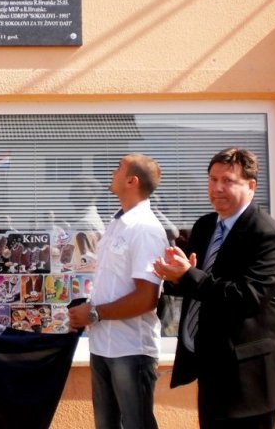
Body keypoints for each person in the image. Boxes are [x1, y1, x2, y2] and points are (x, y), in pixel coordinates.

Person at [153, 147, 275, 429]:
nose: (217, 188)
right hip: (212, 366)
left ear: (251, 186)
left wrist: (188, 276)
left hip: (250, 374)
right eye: (212, 179)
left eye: (228, 181)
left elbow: (247, 297)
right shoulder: (206, 225)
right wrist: (172, 277)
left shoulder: (266, 234)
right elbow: (194, 284)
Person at [69, 154, 168, 429]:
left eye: (118, 168)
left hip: (131, 350)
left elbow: (147, 297)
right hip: (103, 346)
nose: (112, 173)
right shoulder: (117, 223)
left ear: (132, 180)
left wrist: (95, 314)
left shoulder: (145, 229)